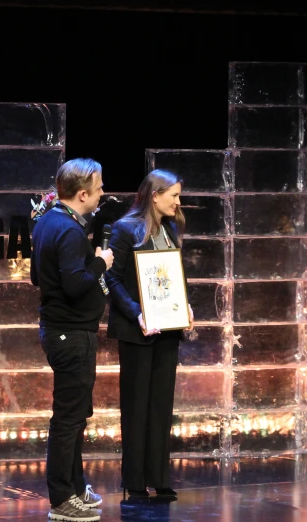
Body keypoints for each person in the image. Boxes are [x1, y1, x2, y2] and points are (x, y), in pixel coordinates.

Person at [31, 158, 113, 522]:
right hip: (70, 335)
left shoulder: (49, 221)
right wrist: (101, 262)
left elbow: (37, 276)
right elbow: (76, 284)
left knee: (76, 416)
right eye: (98, 189)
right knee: (68, 419)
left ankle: (76, 488)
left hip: (66, 331)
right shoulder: (68, 231)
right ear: (82, 194)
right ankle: (62, 500)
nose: (102, 194)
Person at [106, 169, 194, 500]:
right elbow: (112, 279)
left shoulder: (171, 227)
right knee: (136, 405)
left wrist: (185, 305)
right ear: (155, 195)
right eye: (173, 195)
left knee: (160, 405)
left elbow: (174, 273)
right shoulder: (125, 228)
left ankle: (159, 476)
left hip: (167, 328)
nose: (178, 202)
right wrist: (137, 313)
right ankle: (134, 481)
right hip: (137, 329)